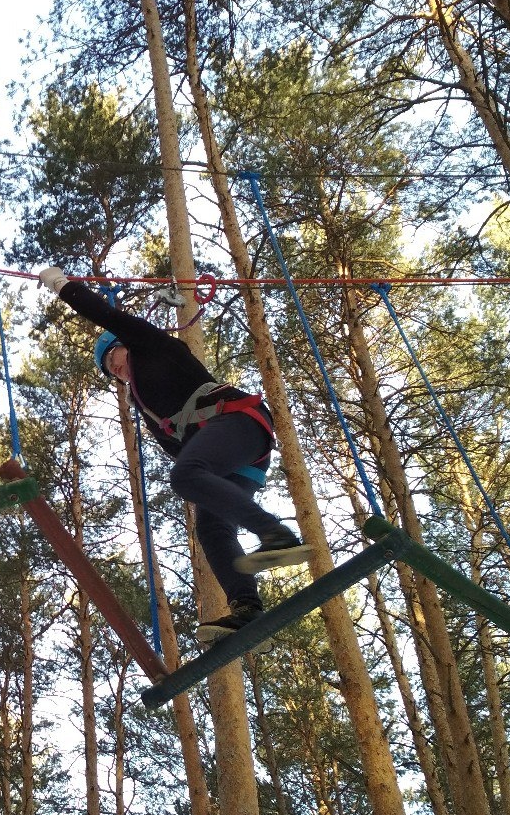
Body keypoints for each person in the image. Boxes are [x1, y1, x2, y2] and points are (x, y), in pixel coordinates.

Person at [38, 266, 311, 641]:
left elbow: (104, 314)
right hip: (230, 452)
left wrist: (61, 285)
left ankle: (276, 533)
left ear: (126, 344)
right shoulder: (147, 405)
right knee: (212, 528)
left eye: (115, 357)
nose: (117, 369)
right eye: (111, 371)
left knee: (186, 475)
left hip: (239, 423)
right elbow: (178, 448)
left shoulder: (154, 346)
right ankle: (247, 608)